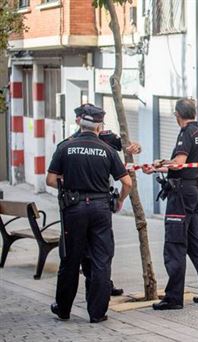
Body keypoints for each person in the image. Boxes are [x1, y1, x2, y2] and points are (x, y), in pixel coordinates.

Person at [46, 104, 132, 323]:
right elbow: (127, 182)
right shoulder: (108, 150)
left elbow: (50, 180)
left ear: (79, 123)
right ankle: (97, 313)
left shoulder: (65, 147)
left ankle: (63, 309)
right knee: (101, 260)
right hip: (101, 209)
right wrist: (120, 200)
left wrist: (69, 188)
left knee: (70, 260)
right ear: (99, 125)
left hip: (74, 210)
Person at [143, 98, 198, 310]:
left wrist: (157, 167)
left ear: (178, 114)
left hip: (181, 193)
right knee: (196, 244)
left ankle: (173, 298)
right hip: (193, 190)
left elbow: (178, 164)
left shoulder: (186, 133)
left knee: (175, 245)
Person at [59, 105, 141, 296]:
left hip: (92, 202)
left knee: (96, 252)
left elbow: (127, 145)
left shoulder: (105, 138)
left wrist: (135, 147)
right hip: (85, 204)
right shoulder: (68, 143)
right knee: (88, 253)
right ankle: (98, 298)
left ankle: (101, 288)